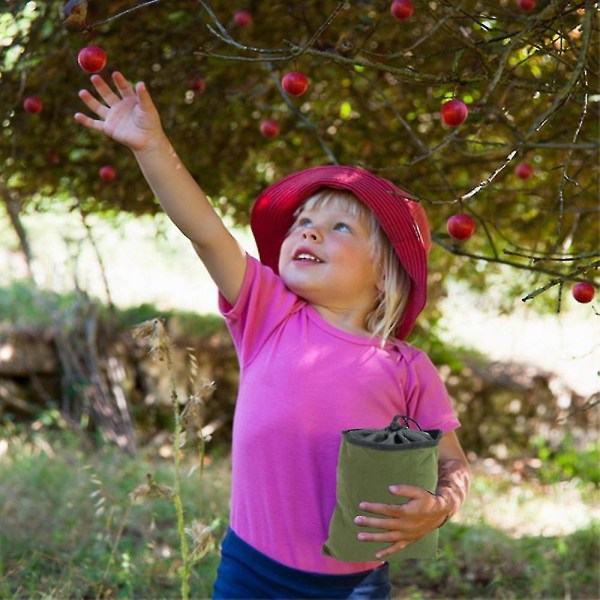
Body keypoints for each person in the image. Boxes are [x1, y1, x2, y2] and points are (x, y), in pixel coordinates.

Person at [75, 71, 471, 599]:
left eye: (340, 228)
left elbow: (453, 462)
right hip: (252, 573)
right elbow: (205, 232)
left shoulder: (407, 368)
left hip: (357, 583)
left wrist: (439, 508)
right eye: (304, 221)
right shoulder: (270, 314)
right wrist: (153, 147)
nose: (308, 231)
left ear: (386, 271)